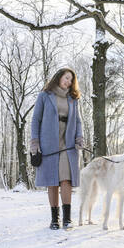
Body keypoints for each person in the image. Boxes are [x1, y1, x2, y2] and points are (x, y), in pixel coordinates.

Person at [30, 68, 83, 230]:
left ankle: (67, 219)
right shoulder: (44, 96)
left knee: (66, 180)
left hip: (68, 145)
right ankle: (55, 219)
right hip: (49, 144)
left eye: (71, 80)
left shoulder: (73, 99)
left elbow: (78, 122)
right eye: (66, 78)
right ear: (59, 78)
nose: (68, 82)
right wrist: (35, 141)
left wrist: (79, 137)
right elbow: (35, 119)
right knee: (52, 182)